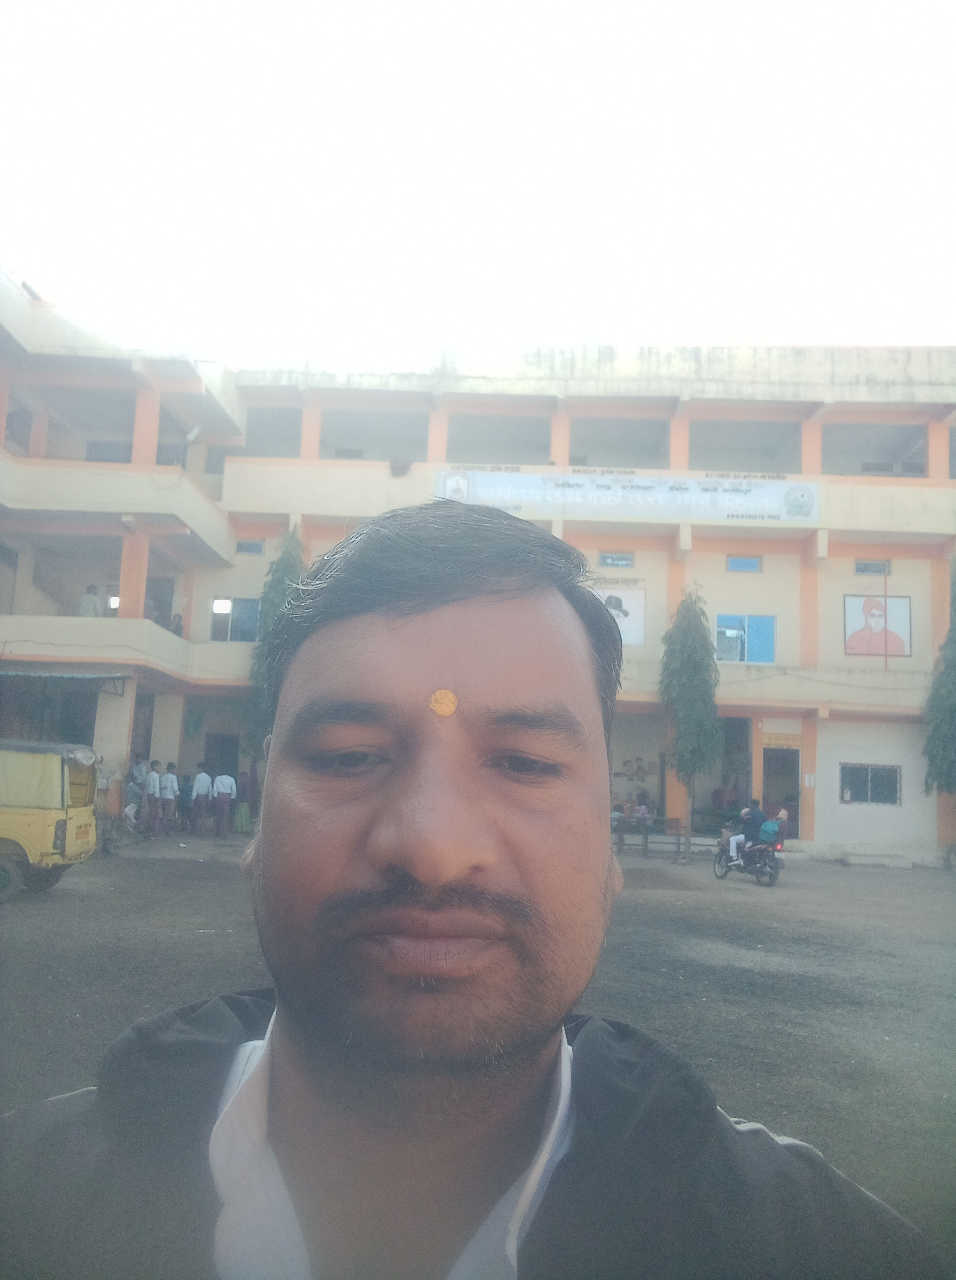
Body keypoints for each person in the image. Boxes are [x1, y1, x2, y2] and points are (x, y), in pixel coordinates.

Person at [0, 503, 948, 1280]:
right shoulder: (32, 1204)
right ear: (255, 832)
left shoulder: (812, 1247)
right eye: (350, 756)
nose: (433, 847)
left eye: (526, 763)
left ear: (611, 852)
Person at [728, 797, 768, 866]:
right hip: (761, 838)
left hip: (750, 836)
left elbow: (742, 820)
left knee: (732, 839)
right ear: (758, 805)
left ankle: (734, 858)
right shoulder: (764, 814)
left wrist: (732, 822)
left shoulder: (750, 813)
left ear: (751, 805)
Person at [212, 769, 236, 836]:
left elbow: (215, 788)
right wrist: (232, 797)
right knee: (225, 815)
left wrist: (215, 796)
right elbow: (234, 790)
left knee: (218, 814)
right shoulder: (231, 779)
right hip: (227, 796)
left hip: (219, 796)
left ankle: (217, 831)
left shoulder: (218, 778)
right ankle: (224, 832)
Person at [191, 762, 212, 836]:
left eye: (198, 768)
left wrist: (193, 798)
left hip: (198, 796)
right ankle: (202, 829)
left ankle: (194, 829)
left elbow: (196, 787)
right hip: (205, 797)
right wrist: (210, 799)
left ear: (201, 768)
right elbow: (210, 789)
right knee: (203, 814)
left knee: (195, 813)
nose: (197, 769)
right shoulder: (208, 777)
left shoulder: (198, 776)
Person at [159, 762, 180, 837]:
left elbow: (161, 787)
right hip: (169, 797)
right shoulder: (173, 777)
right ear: (171, 769)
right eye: (174, 769)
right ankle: (161, 831)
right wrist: (177, 795)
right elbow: (175, 789)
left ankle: (167, 831)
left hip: (163, 797)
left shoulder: (163, 777)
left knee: (164, 814)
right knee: (166, 815)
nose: (174, 770)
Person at [144, 759, 162, 838]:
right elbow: (156, 788)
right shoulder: (156, 775)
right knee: (153, 813)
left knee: (155, 813)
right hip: (154, 796)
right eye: (159, 766)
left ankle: (155, 830)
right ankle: (139, 823)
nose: (159, 768)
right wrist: (157, 797)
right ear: (154, 767)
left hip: (149, 795)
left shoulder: (149, 775)